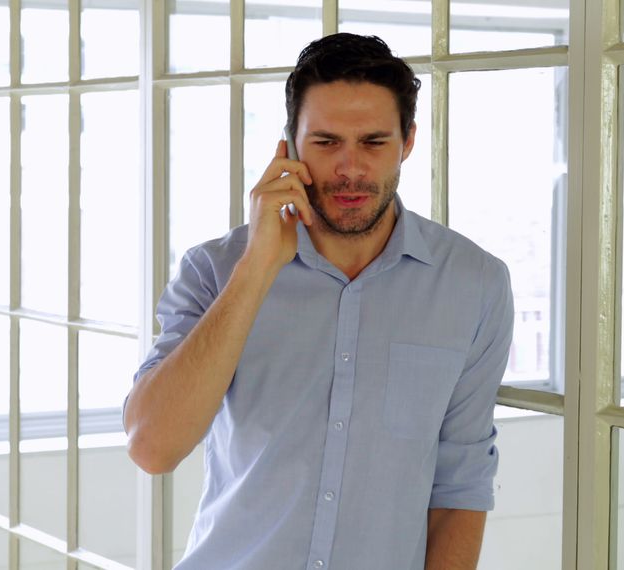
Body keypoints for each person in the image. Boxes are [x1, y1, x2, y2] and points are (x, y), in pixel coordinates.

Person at [123, 33, 515, 570]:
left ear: (408, 142)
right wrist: (257, 269)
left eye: (373, 142)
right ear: (289, 145)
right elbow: (152, 447)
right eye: (326, 142)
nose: (350, 169)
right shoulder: (214, 269)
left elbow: (460, 488)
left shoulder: (474, 285)